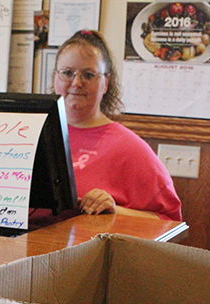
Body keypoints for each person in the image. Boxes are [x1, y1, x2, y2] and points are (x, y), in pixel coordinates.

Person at [53, 30, 182, 221]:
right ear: (55, 78)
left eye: (88, 75)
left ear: (106, 83)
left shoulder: (129, 147)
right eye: (67, 73)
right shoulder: (35, 134)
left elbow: (170, 221)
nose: (77, 82)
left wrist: (114, 211)